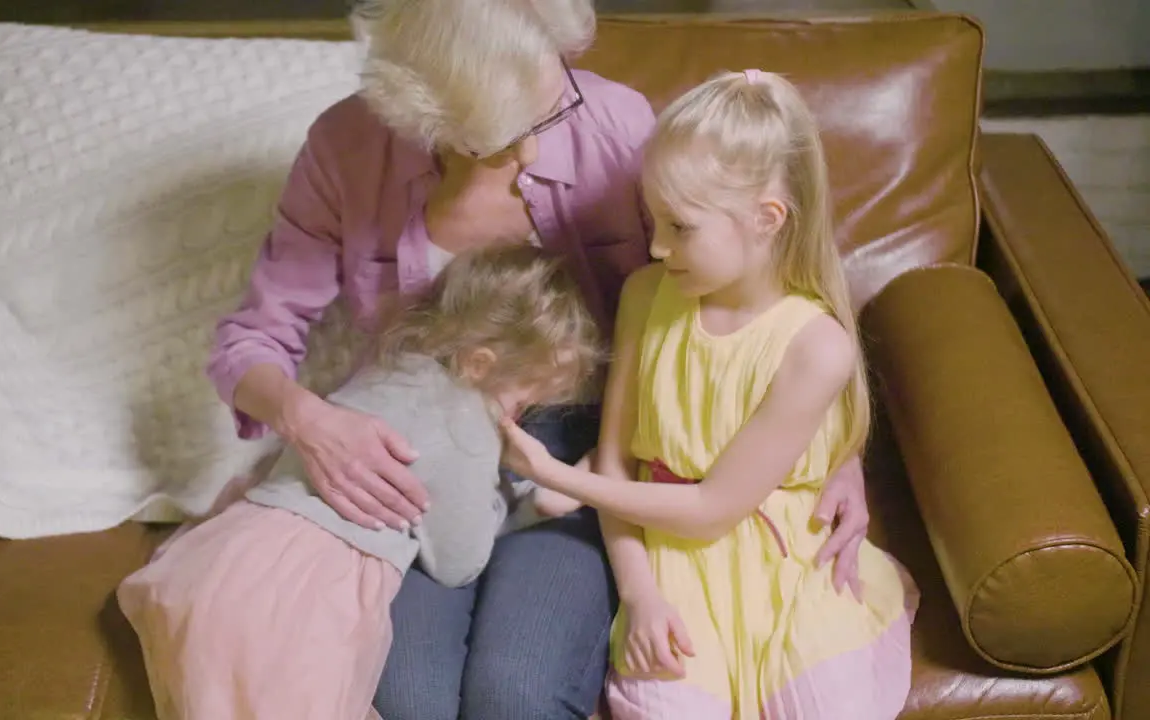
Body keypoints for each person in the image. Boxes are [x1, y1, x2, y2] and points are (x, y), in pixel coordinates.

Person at [206, 0, 872, 716]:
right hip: (422, 444)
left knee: (516, 694)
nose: (533, 151)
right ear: (430, 114)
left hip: (588, 444)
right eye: (504, 136)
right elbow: (251, 342)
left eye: (545, 114)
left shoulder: (612, 125)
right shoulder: (348, 148)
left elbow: (753, 289)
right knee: (409, 701)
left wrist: (838, 451)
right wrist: (312, 422)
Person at [500, 69, 917, 719]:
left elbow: (713, 508)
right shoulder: (646, 294)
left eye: (680, 226)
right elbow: (616, 461)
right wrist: (639, 592)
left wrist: (553, 475)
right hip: (670, 559)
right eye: (653, 219)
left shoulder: (816, 347)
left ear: (767, 219)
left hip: (787, 565)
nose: (658, 245)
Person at [119, 244, 603, 719]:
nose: (522, 413)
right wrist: (524, 502)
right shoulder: (468, 425)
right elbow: (459, 560)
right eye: (524, 398)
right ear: (479, 365)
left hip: (225, 566)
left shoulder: (388, 369)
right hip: (307, 603)